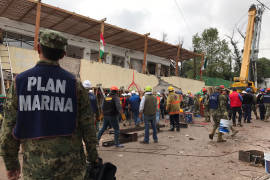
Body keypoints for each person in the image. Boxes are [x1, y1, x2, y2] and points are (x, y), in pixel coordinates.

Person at [0, 29, 98, 179]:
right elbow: (88, 127)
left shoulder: (20, 83)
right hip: (72, 171)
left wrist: (11, 164)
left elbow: (8, 130)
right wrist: (93, 158)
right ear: (63, 54)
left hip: (35, 171)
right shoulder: (75, 85)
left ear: (38, 48)